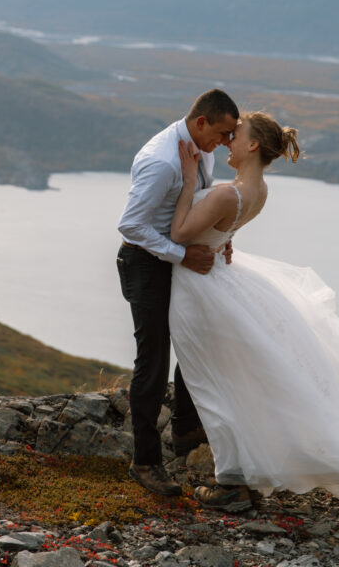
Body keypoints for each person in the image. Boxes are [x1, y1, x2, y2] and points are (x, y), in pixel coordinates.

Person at [168, 112, 339, 531]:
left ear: (253, 146)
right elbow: (224, 234)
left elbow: (177, 235)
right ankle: (230, 465)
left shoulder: (227, 194)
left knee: (212, 380)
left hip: (202, 290)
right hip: (222, 281)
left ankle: (232, 482)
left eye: (235, 136)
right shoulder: (259, 190)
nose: (227, 142)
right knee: (226, 377)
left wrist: (189, 180)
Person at [116, 88, 240, 496]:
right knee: (153, 361)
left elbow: (196, 201)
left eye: (229, 138)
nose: (224, 144)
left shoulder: (201, 147)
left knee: (194, 341)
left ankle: (186, 432)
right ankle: (145, 463)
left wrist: (216, 236)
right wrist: (181, 254)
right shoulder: (162, 161)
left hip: (176, 258)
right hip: (145, 263)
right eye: (221, 134)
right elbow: (131, 225)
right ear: (201, 121)